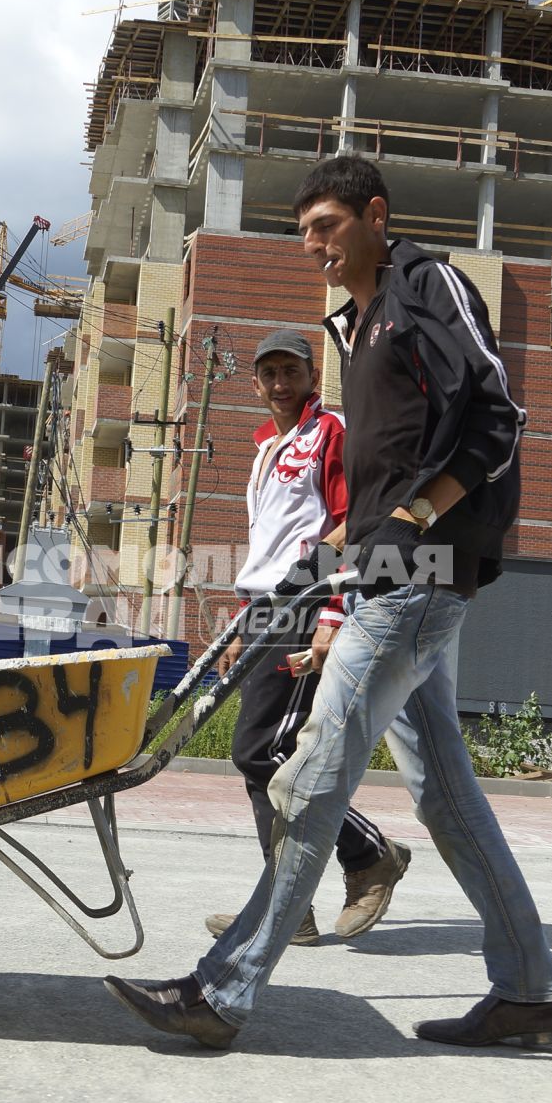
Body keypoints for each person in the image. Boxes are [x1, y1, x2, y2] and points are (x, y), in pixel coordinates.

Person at [105, 154, 552, 1051]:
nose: (312, 244)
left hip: (421, 576)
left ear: (375, 216)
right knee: (445, 797)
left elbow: (500, 415)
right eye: (304, 229)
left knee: (309, 779)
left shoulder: (428, 284)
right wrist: (345, 546)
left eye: (327, 226)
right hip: (385, 575)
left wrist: (417, 515)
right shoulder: (356, 322)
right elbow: (385, 460)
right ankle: (529, 993)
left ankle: (223, 990)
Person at [208, 327, 411, 947]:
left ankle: (371, 854)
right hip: (267, 606)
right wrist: (243, 624)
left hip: (307, 602)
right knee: (259, 762)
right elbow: (268, 545)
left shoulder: (331, 432)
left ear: (309, 376)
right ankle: (288, 908)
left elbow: (356, 523)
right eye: (268, 373)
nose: (278, 383)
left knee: (264, 754)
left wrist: (329, 613)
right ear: (256, 383)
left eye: (289, 371)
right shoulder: (268, 445)